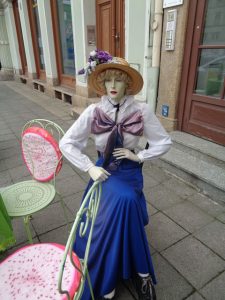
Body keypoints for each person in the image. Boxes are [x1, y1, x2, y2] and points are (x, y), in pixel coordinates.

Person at [59, 50, 172, 300]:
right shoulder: (92, 112)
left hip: (129, 171)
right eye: (108, 80)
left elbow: (164, 142)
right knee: (113, 213)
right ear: (102, 83)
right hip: (103, 169)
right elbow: (66, 143)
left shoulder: (141, 111)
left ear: (128, 83)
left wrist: (140, 156)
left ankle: (142, 275)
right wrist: (89, 166)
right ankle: (125, 275)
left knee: (127, 201)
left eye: (118, 80)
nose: (112, 85)